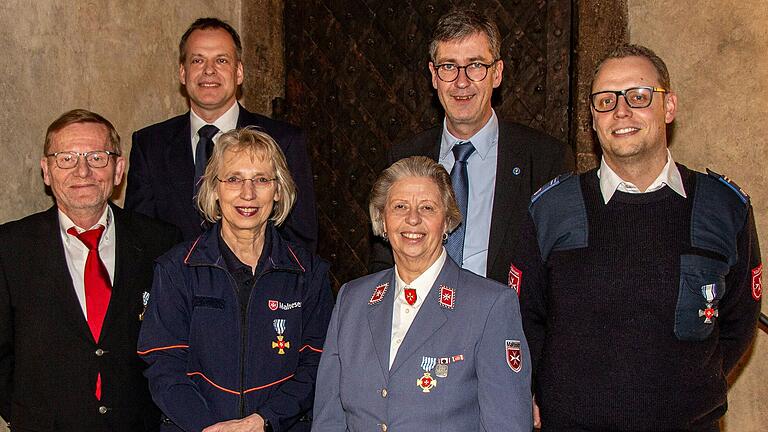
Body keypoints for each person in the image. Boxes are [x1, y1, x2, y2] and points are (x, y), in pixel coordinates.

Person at [512, 44, 762, 431]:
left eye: (639, 96)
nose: (621, 111)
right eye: (606, 101)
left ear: (670, 107)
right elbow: (525, 317)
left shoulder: (723, 208)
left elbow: (738, 320)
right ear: (593, 120)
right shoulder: (552, 210)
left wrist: (691, 392)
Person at [313, 156, 532, 431]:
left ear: (447, 221)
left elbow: (507, 425)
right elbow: (328, 420)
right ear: (382, 219)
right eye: (400, 206)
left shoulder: (490, 306)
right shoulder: (352, 300)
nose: (412, 219)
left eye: (427, 208)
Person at [138, 127, 333, 432]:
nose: (248, 193)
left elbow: (315, 365)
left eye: (261, 180)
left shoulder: (309, 274)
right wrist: (209, 428)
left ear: (279, 190)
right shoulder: (177, 269)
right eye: (233, 179)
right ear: (214, 189)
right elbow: (164, 365)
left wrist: (262, 421)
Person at [0, 109, 181, 431]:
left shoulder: (161, 242)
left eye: (97, 157)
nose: (82, 171)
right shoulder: (9, 247)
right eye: (66, 158)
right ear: (46, 171)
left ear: (118, 169)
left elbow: (177, 344)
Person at [369, 9, 573, 284]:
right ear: (433, 75)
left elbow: (562, 269)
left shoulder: (545, 159)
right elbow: (383, 259)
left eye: (475, 65)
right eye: (448, 67)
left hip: (507, 322)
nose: (461, 82)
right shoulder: (404, 157)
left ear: (497, 73)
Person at [126, 17, 317, 251]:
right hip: (174, 285)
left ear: (238, 72)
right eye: (198, 60)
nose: (209, 70)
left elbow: (300, 239)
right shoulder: (149, 145)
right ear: (183, 73)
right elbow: (138, 238)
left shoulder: (284, 141)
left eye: (221, 60)